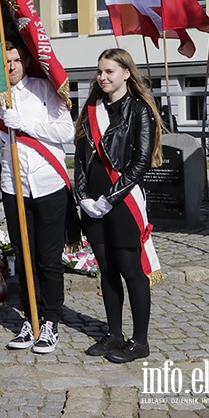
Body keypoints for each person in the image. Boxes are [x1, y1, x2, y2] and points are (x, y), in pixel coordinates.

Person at [0, 40, 74, 353]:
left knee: (48, 258)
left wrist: (26, 124)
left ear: (25, 60)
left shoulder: (45, 89)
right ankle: (31, 319)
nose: (11, 67)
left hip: (48, 184)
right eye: (6, 62)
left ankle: (51, 322)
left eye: (15, 60)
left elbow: (66, 132)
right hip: (14, 187)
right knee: (23, 254)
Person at [73, 48, 162, 363]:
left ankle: (139, 341)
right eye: (100, 71)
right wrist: (82, 196)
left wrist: (109, 198)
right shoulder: (91, 109)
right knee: (107, 269)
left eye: (110, 71)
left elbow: (140, 163)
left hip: (122, 201)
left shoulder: (139, 111)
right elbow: (81, 159)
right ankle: (113, 335)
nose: (103, 77)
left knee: (130, 270)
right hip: (92, 202)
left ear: (126, 73)